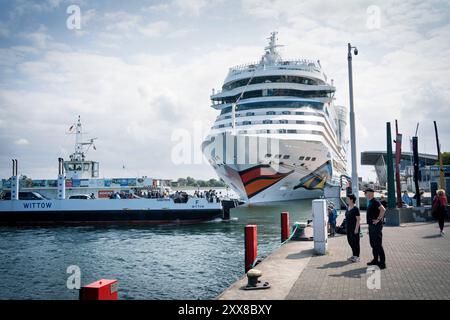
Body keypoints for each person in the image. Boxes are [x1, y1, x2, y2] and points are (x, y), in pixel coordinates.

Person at [365, 188, 386, 269]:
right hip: (371, 226)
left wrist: (378, 219)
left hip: (376, 226)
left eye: (366, 193)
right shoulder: (370, 202)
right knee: (373, 244)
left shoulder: (375, 201)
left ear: (370, 193)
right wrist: (369, 227)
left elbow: (383, 210)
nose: (365, 194)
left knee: (378, 244)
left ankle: (382, 263)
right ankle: (375, 260)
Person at [345, 194, 361, 262]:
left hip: (354, 228)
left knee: (355, 242)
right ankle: (354, 255)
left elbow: (358, 219)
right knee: (350, 241)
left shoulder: (355, 209)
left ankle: (357, 256)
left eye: (347, 198)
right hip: (348, 228)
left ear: (351, 199)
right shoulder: (347, 207)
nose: (346, 199)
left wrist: (356, 229)